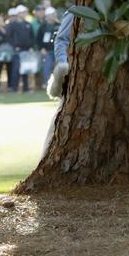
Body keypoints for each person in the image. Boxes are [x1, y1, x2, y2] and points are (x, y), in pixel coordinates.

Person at [43, 11, 75, 155]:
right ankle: (46, 156)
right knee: (60, 119)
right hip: (74, 76)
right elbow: (62, 39)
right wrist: (63, 65)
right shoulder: (75, 11)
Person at [6, 6, 36, 92]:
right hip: (17, 51)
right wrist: (15, 47)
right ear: (18, 14)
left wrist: (31, 47)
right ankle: (13, 87)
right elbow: (9, 37)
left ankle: (25, 88)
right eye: (22, 12)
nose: (24, 14)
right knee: (16, 69)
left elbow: (32, 37)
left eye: (25, 12)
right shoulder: (12, 25)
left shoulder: (28, 24)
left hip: (27, 50)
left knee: (25, 69)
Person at [37, 7, 60, 88]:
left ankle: (58, 85)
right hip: (47, 51)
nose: (55, 15)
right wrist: (41, 48)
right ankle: (49, 85)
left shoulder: (58, 25)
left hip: (57, 50)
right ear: (48, 15)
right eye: (53, 14)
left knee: (58, 68)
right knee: (47, 68)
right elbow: (38, 39)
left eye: (55, 14)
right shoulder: (43, 26)